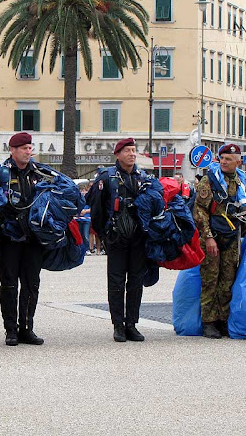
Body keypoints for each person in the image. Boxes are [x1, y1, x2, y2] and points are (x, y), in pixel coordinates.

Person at [0, 132, 48, 346]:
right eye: (23, 148)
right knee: (9, 284)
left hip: (33, 238)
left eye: (30, 147)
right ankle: (11, 329)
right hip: (8, 238)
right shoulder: (0, 174)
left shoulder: (39, 173)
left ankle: (27, 328)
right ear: (12, 150)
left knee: (32, 284)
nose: (28, 151)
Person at [91, 137, 150, 343]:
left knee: (135, 282)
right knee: (116, 283)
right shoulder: (106, 177)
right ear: (117, 154)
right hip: (116, 238)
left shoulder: (143, 177)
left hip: (138, 239)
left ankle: (131, 324)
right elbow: (96, 209)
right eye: (127, 151)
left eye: (134, 150)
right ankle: (118, 325)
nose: (132, 154)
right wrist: (104, 235)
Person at [193, 144, 246, 339]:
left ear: (238, 162)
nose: (224, 162)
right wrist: (208, 237)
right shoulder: (210, 180)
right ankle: (208, 322)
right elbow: (199, 211)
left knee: (227, 281)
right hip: (212, 237)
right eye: (222, 158)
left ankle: (223, 320)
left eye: (228, 159)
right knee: (210, 279)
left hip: (231, 237)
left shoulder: (241, 181)